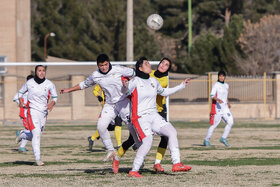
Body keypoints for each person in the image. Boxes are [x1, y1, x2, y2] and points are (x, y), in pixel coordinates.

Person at [60, 54, 139, 162]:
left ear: (109, 62)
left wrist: (128, 81)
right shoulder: (95, 75)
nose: (104, 67)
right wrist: (69, 90)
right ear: (98, 65)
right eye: (101, 65)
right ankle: (110, 150)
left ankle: (139, 150)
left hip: (124, 102)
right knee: (101, 127)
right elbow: (83, 84)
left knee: (132, 127)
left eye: (106, 64)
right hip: (110, 105)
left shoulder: (118, 69)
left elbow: (135, 73)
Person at [123, 57, 192, 177]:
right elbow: (124, 91)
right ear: (140, 68)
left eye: (148, 63)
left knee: (172, 132)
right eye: (146, 63)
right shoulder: (135, 82)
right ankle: (134, 170)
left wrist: (181, 86)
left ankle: (176, 163)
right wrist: (124, 84)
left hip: (154, 115)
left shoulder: (153, 81)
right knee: (148, 141)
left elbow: (164, 92)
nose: (149, 65)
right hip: (140, 117)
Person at [112, 57, 172, 173]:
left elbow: (147, 80)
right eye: (162, 62)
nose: (163, 65)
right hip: (143, 112)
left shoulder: (164, 79)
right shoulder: (150, 72)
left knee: (166, 137)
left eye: (166, 65)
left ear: (168, 69)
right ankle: (117, 158)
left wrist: (137, 74)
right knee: (131, 139)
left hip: (159, 111)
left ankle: (157, 164)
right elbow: (139, 80)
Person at [17, 65, 57, 166]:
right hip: (32, 111)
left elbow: (55, 97)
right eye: (39, 71)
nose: (42, 72)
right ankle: (38, 159)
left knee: (36, 134)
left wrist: (52, 103)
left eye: (43, 70)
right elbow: (20, 92)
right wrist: (20, 100)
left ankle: (22, 135)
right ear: (36, 72)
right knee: (37, 134)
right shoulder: (29, 83)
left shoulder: (49, 84)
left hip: (43, 113)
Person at [203, 70, 234, 147]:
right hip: (218, 108)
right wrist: (218, 100)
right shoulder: (216, 85)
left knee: (231, 122)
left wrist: (228, 102)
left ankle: (223, 138)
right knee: (214, 125)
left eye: (223, 76)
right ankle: (206, 139)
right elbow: (212, 96)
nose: (221, 77)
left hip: (225, 108)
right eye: (220, 76)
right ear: (218, 77)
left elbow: (225, 96)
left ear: (225, 77)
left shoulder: (226, 85)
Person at [88, 84, 122, 151]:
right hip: (107, 107)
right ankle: (92, 138)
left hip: (117, 106)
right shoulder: (103, 80)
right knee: (104, 126)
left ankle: (119, 145)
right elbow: (95, 90)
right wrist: (98, 96)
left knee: (118, 123)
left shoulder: (118, 80)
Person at [14, 74, 34, 152]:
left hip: (32, 113)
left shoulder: (33, 90)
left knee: (31, 131)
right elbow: (15, 98)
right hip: (24, 113)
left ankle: (22, 147)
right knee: (29, 130)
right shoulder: (24, 90)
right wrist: (21, 103)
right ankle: (21, 133)